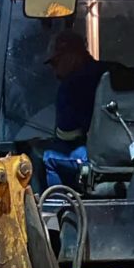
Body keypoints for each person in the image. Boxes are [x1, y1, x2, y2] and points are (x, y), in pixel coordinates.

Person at [43, 30, 108, 188]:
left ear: (71, 56)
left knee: (48, 157)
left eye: (55, 63)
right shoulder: (110, 71)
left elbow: (67, 134)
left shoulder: (71, 85)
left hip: (94, 157)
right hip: (133, 154)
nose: (54, 71)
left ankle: (57, 206)